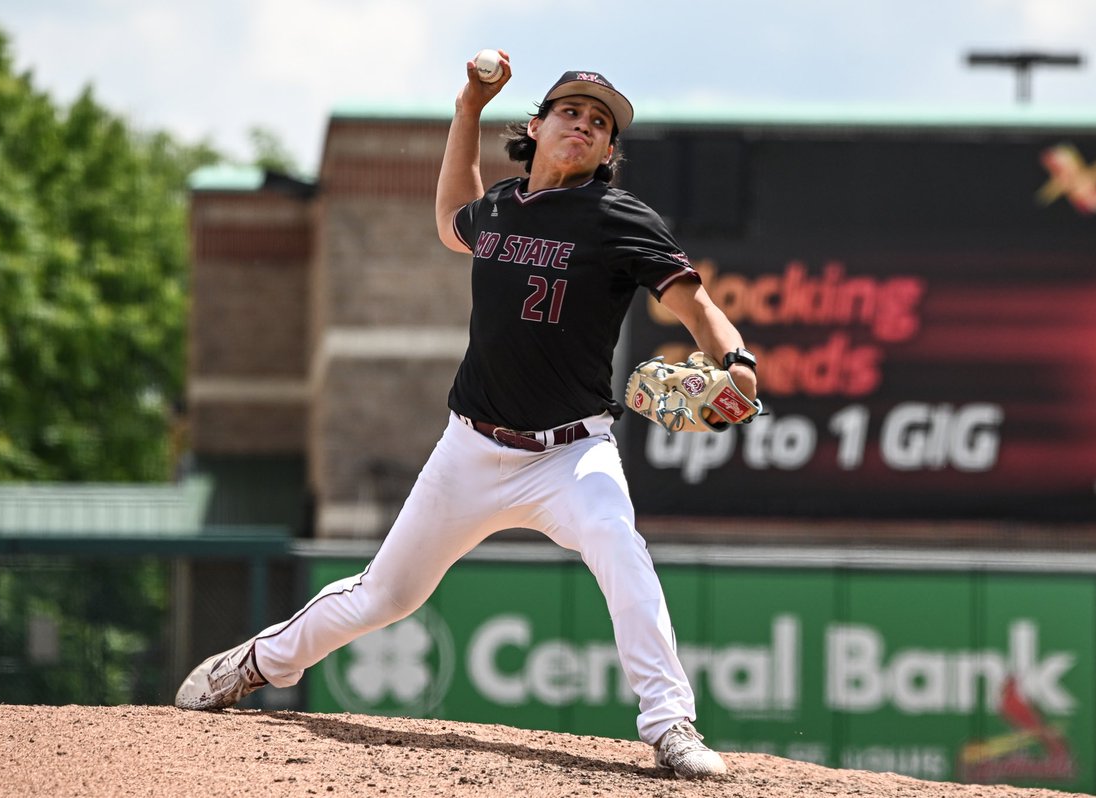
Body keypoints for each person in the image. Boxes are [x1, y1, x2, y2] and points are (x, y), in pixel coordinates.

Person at [175, 52, 759, 780]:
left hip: (570, 455)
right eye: (571, 111)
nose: (584, 124)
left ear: (610, 150)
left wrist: (737, 362)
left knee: (618, 543)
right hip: (471, 449)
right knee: (384, 596)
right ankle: (256, 661)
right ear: (538, 127)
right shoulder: (501, 210)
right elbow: (453, 220)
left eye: (600, 122)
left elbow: (693, 303)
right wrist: (467, 109)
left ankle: (671, 725)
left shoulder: (617, 216)